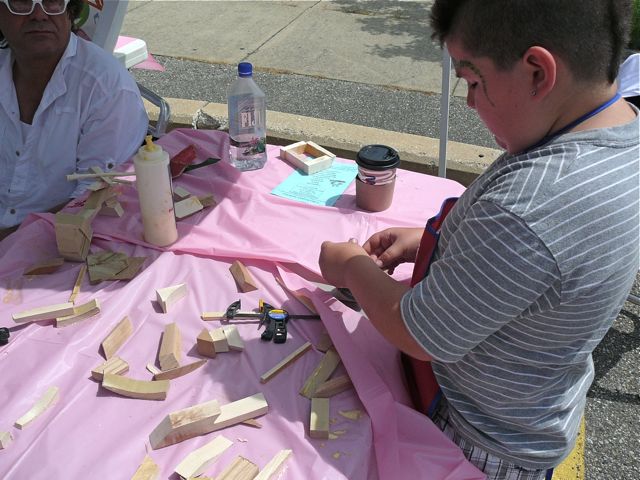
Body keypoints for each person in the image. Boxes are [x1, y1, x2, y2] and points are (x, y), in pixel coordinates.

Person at [319, 1, 639, 478]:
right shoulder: (621, 125)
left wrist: (349, 265)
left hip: (476, 438)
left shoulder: (531, 205)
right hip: (534, 409)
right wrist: (436, 240)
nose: (468, 102)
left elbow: (415, 333)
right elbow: (538, 262)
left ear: (536, 72)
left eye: (472, 81)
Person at [0, 0, 148, 239]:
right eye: (21, 2)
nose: (39, 14)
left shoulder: (106, 87)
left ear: (70, 10)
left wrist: (9, 238)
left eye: (52, 1)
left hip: (59, 246)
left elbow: (93, 199)